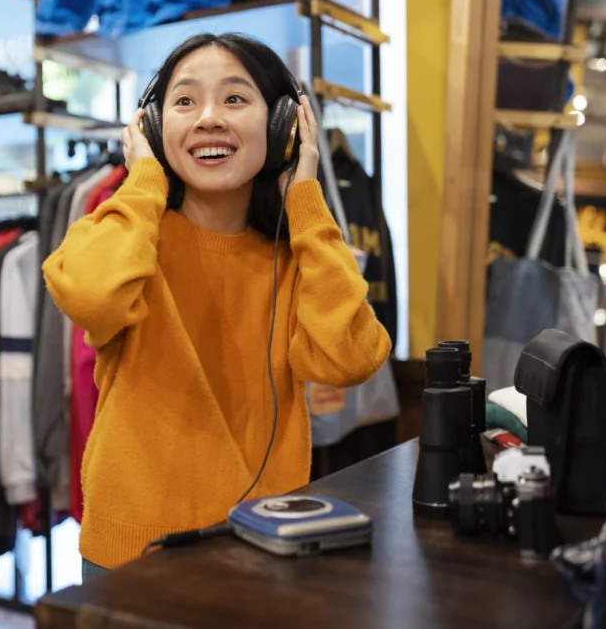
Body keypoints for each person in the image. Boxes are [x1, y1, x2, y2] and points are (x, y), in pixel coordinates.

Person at [42, 32, 391, 581]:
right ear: (154, 128)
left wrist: (305, 195)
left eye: (234, 98)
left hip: (265, 543)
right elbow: (91, 294)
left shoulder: (302, 253)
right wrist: (142, 182)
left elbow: (348, 359)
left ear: (283, 126)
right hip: (134, 556)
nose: (209, 119)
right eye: (184, 101)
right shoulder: (128, 237)